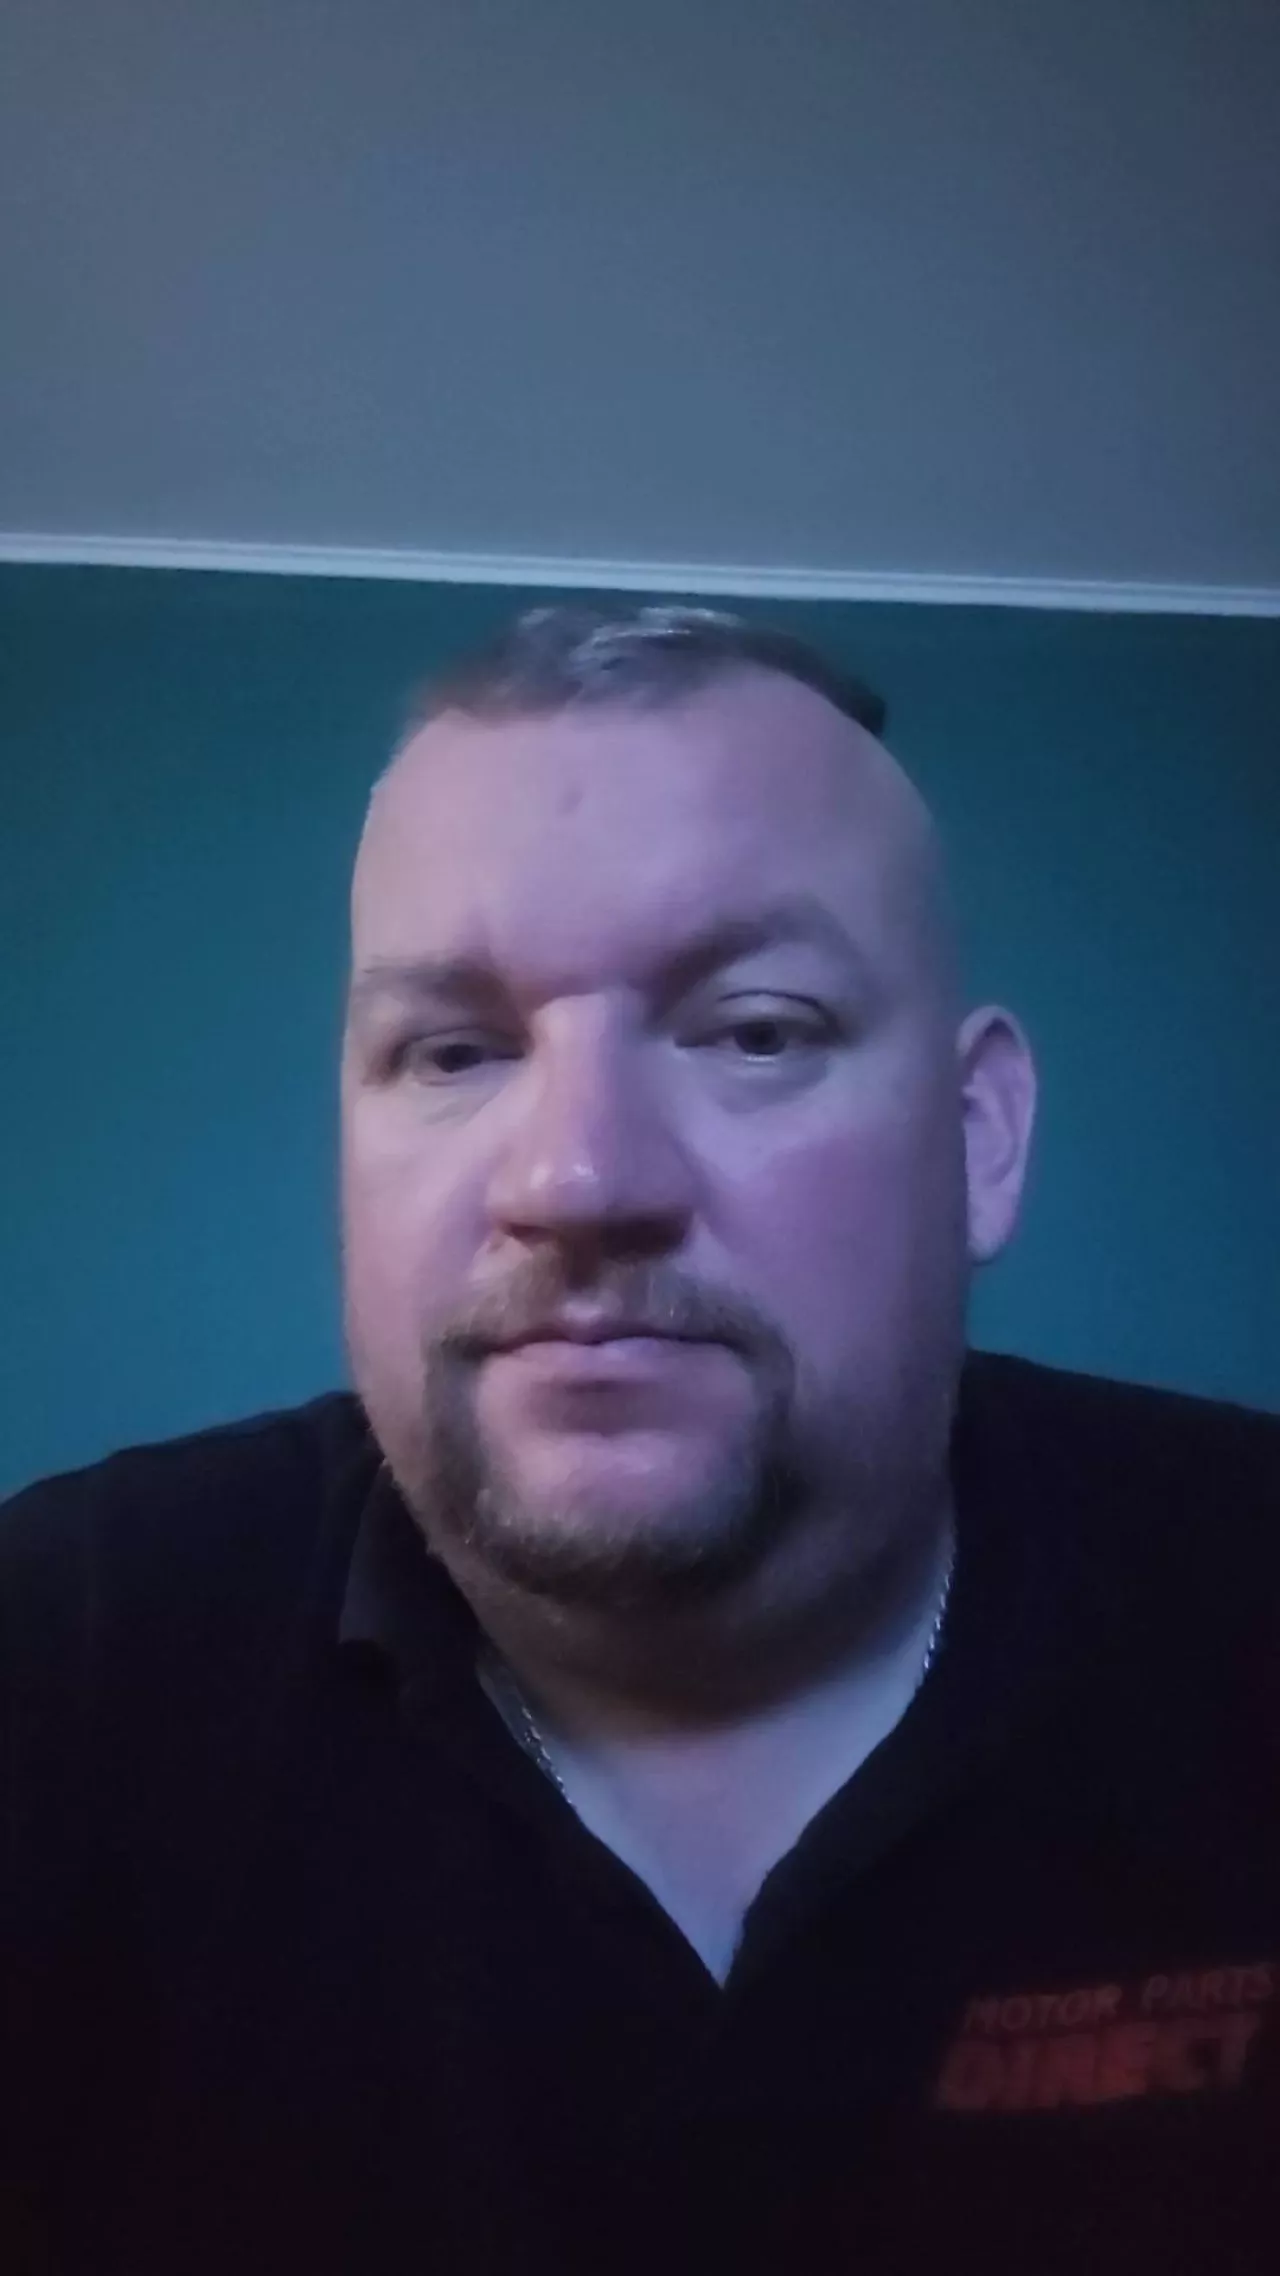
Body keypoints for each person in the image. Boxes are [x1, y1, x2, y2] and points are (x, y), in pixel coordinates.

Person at [2, 602, 1278, 2276]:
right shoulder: (58, 1665)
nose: (579, 1180)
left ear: (979, 1141)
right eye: (454, 1052)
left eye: (756, 1032)